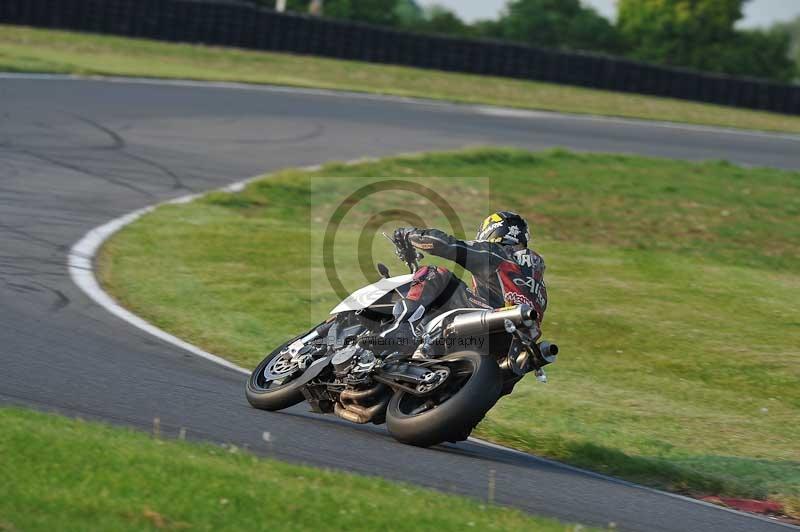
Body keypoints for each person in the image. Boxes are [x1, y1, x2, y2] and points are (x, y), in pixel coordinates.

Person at [379, 211, 547, 354]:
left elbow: (447, 245)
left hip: (494, 319)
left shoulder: (497, 252)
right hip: (518, 345)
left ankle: (401, 327)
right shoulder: (537, 279)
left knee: (435, 273)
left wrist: (408, 235)